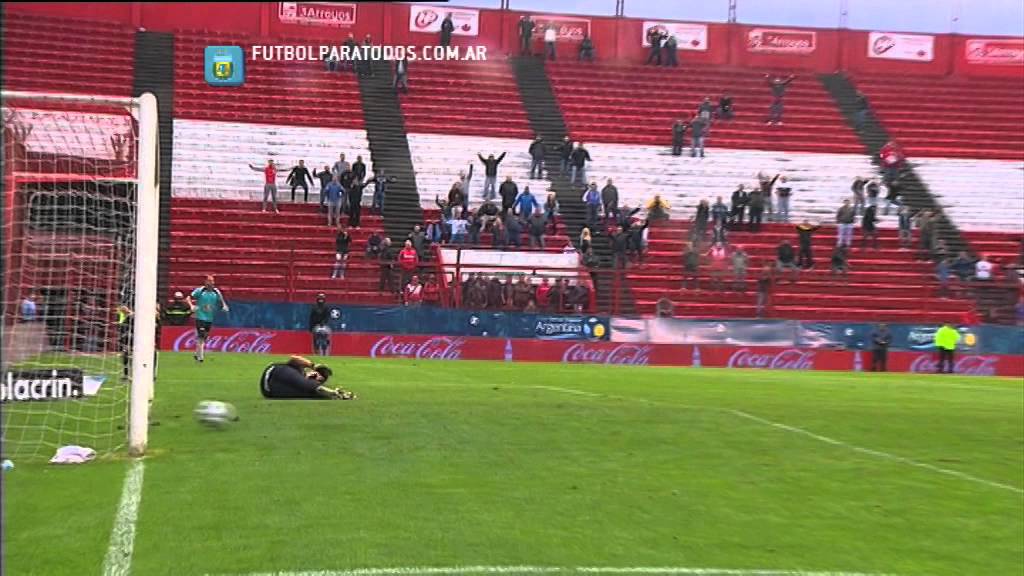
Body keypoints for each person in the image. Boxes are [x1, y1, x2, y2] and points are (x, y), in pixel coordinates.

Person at [260, 356, 353, 399]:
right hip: (275, 372)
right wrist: (312, 365)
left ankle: (333, 394)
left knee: (306, 392)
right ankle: (334, 394)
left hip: (269, 390)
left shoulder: (302, 377)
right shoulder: (296, 370)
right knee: (306, 387)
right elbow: (294, 359)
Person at [187, 275, 229, 363]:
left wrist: (224, 306)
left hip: (209, 318)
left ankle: (197, 353)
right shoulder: (200, 290)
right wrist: (191, 306)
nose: (211, 283)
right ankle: (200, 358)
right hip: (200, 316)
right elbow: (188, 298)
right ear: (205, 282)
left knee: (204, 337)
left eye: (212, 281)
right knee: (201, 335)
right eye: (209, 281)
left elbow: (221, 300)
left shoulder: (216, 291)